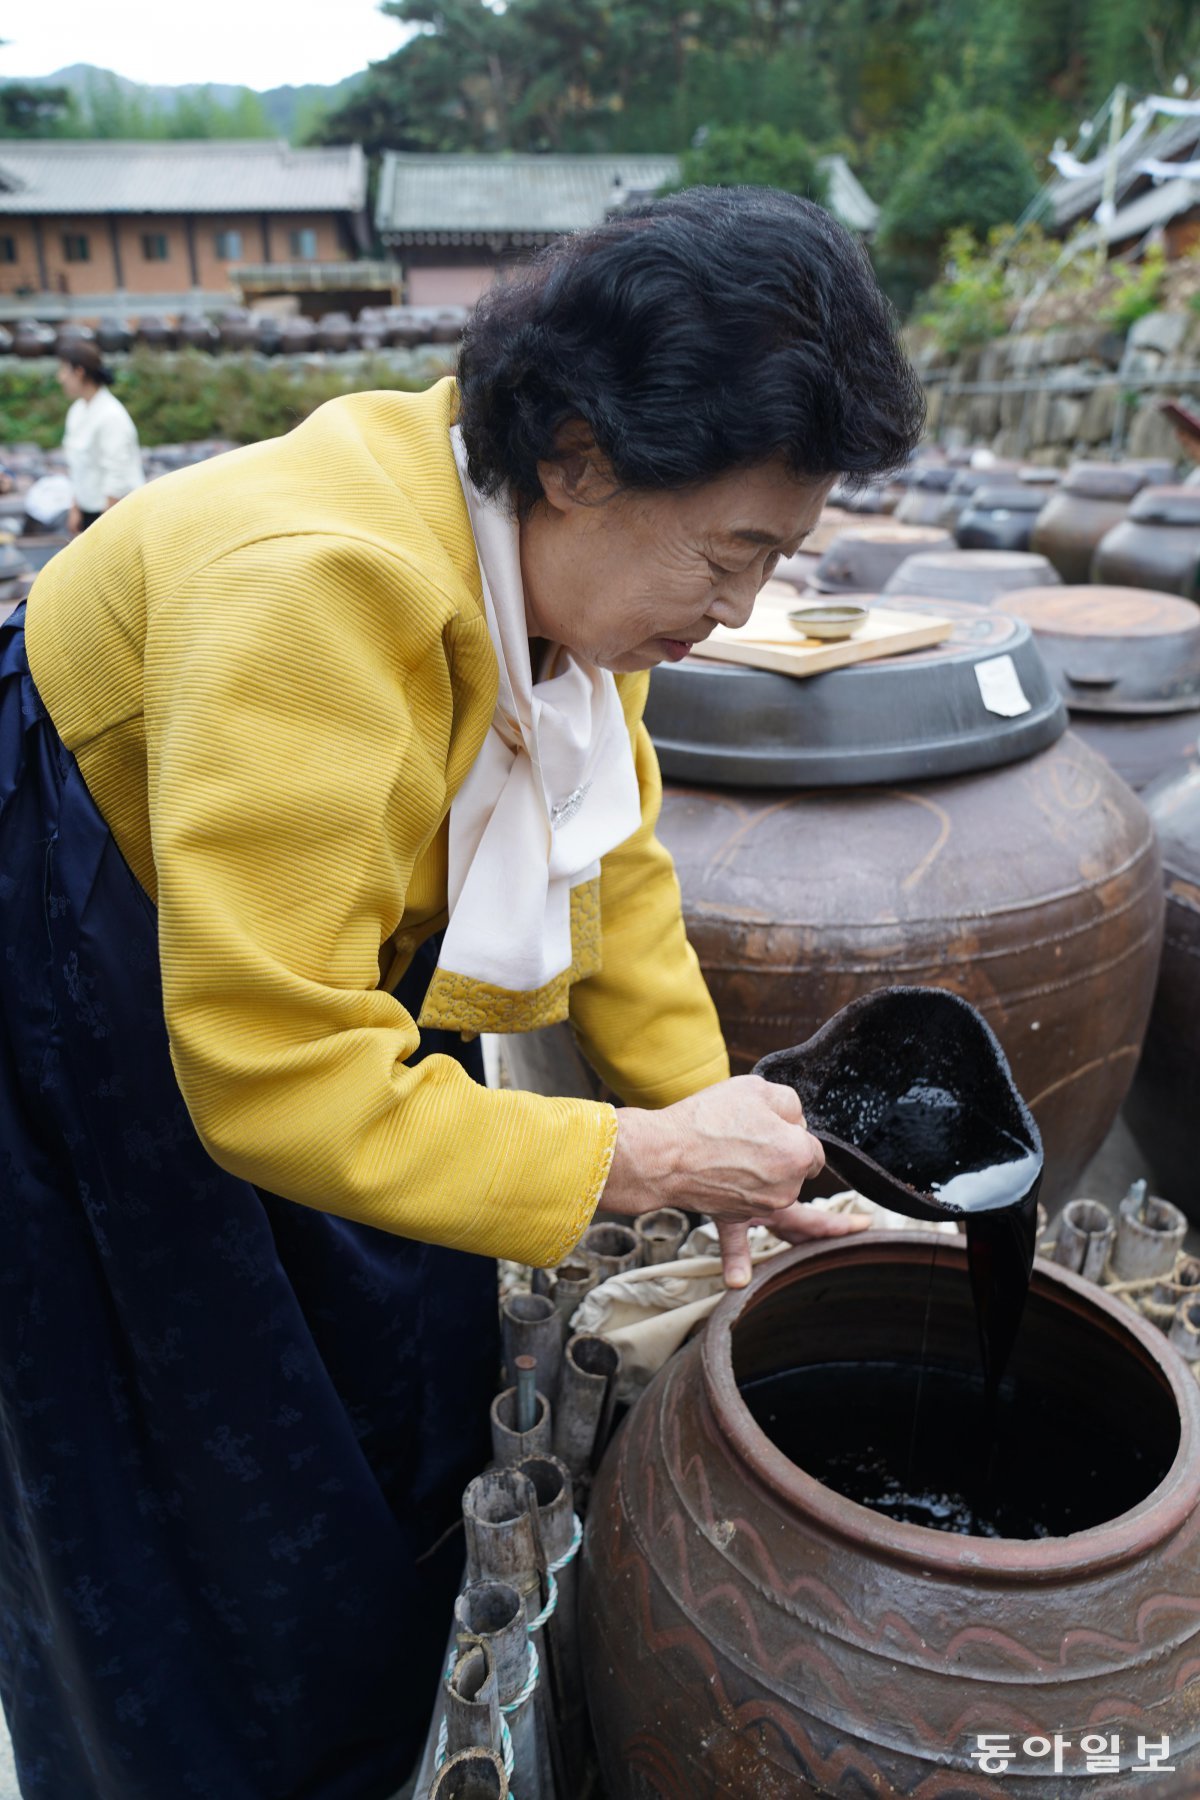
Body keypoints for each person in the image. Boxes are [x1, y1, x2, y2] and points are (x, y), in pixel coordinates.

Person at [0, 187, 924, 1799]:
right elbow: (280, 1072)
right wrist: (633, 1163)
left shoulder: (562, 587)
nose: (749, 606)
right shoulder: (316, 584)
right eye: (738, 550)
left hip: (308, 959)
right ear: (576, 455)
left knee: (411, 1356)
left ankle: (386, 1706)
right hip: (93, 946)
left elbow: (615, 879)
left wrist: (723, 1139)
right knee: (186, 1479)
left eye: (781, 554)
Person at [56, 340, 144, 532]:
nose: (60, 378)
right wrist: (75, 507)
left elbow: (117, 473)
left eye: (64, 370)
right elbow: (78, 467)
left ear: (79, 371)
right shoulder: (78, 410)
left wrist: (105, 527)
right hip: (90, 511)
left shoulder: (111, 415)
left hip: (114, 512)